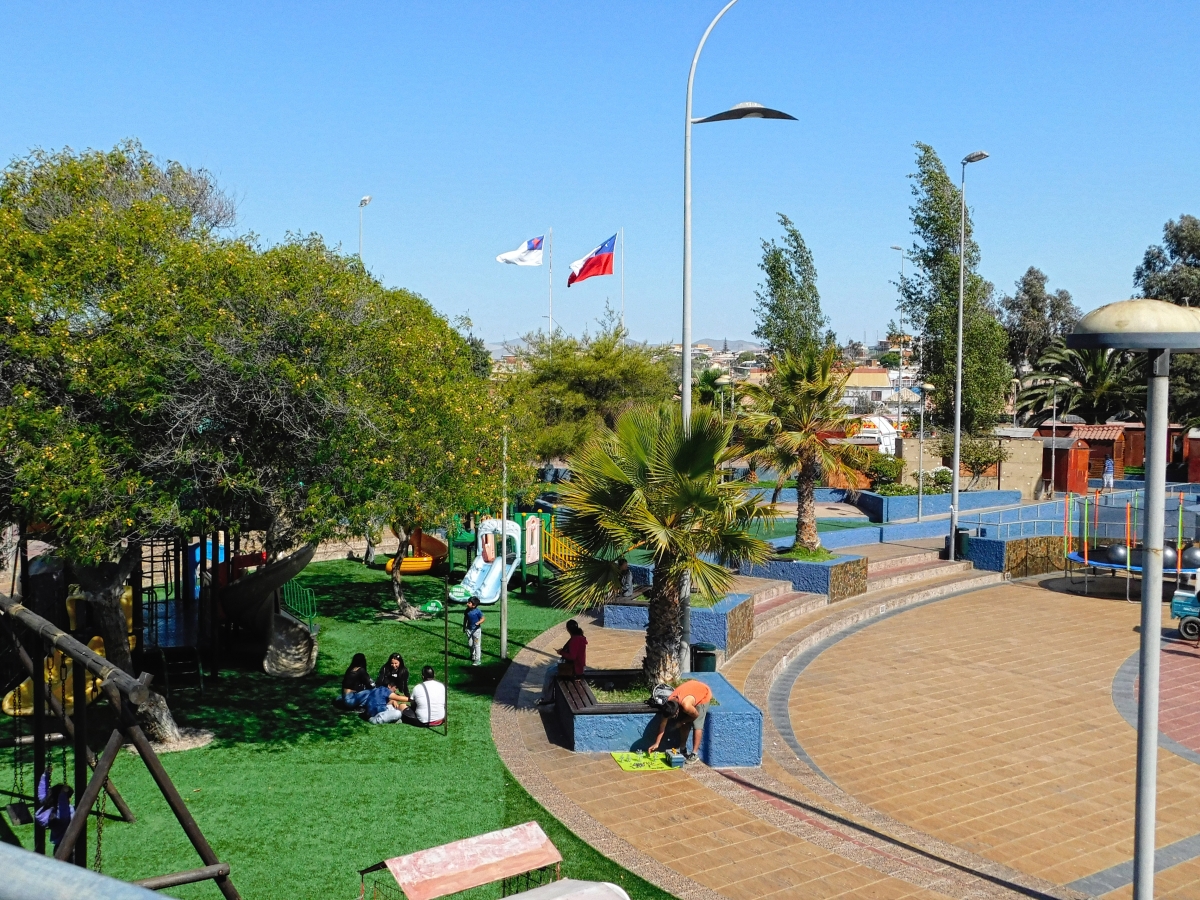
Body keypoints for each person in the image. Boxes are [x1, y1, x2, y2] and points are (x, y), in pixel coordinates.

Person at [647, 679, 712, 764]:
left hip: (703, 693)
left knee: (697, 724)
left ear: (677, 711)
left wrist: (681, 722)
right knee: (684, 722)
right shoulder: (668, 705)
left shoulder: (686, 705)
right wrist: (657, 743)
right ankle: (682, 748)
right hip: (690, 690)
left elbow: (696, 715)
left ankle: (694, 754)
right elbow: (662, 725)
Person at [35, 772, 73, 850]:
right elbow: (62, 805)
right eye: (69, 797)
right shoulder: (63, 815)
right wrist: (63, 792)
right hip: (69, 850)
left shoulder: (49, 812)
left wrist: (45, 775)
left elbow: (42, 795)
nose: (70, 799)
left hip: (57, 847)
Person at [463, 596, 484, 666]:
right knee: (470, 644)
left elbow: (483, 618)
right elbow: (465, 619)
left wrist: (478, 622)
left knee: (477, 645)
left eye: (469, 603)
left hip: (476, 631)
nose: (467, 604)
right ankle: (473, 656)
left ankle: (478, 659)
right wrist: (464, 627)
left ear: (474, 605)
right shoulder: (467, 611)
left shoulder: (478, 611)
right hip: (469, 629)